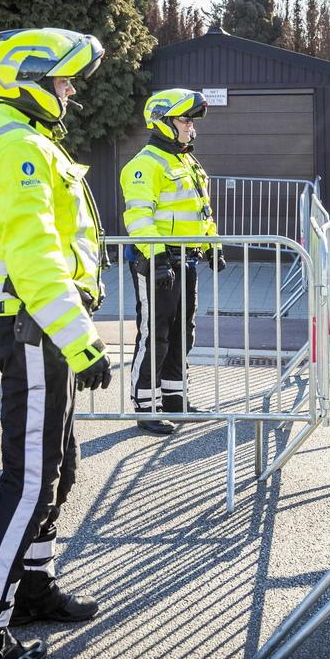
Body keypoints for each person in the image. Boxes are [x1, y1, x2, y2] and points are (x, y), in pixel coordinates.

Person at [0, 27, 113, 659]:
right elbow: (36, 259)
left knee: (59, 467)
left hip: (38, 324)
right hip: (34, 328)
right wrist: (82, 342)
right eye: (63, 80)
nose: (71, 91)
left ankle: (32, 592)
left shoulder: (26, 141)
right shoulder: (17, 147)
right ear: (31, 81)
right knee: (28, 484)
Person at [120, 88, 224, 435]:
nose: (190, 127)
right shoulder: (144, 165)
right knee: (156, 335)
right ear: (163, 123)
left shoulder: (186, 160)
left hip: (185, 260)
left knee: (183, 333)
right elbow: (138, 218)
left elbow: (200, 209)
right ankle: (146, 407)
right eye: (184, 120)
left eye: (191, 121)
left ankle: (176, 402)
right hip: (155, 263)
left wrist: (211, 244)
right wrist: (157, 257)